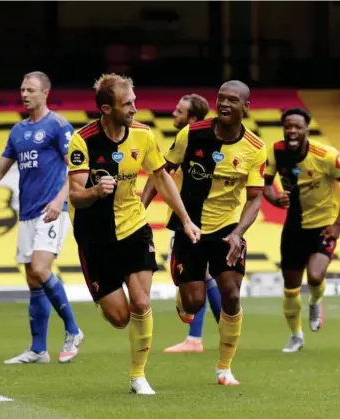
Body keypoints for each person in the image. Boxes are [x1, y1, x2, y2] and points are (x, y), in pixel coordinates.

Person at [68, 73, 200, 395]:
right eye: (127, 104)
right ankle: (107, 302)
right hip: (94, 236)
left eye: (134, 101)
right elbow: (74, 195)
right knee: (120, 318)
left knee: (141, 302)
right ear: (106, 108)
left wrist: (185, 219)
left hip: (133, 227)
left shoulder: (143, 135)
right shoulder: (82, 140)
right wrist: (96, 191)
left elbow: (162, 177)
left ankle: (138, 375)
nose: (135, 109)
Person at [0, 71, 84, 364]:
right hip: (27, 214)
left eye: (30, 90)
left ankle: (73, 330)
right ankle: (38, 349)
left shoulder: (59, 126)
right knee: (33, 279)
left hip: (52, 212)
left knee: (40, 267)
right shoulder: (18, 131)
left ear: (45, 92)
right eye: (22, 89)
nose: (24, 94)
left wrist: (60, 201)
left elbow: (75, 169)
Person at [163, 80, 266, 386]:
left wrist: (239, 232)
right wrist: (143, 209)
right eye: (221, 98)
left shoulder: (256, 149)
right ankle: (183, 296)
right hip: (190, 227)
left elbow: (255, 197)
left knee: (231, 295)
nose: (224, 104)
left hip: (226, 229)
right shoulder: (191, 134)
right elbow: (163, 171)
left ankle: (224, 368)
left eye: (233, 100)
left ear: (245, 108)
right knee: (193, 303)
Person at [141, 94, 222, 353]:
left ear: (194, 119)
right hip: (204, 219)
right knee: (206, 276)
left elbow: (159, 174)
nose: (173, 115)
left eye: (179, 111)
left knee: (193, 276)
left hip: (194, 220)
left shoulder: (192, 137)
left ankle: (196, 337)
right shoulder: (193, 140)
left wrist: (141, 207)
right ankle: (207, 334)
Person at [264, 107, 338, 353]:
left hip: (323, 227)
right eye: (288, 126)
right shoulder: (276, 151)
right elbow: (264, 184)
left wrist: (337, 226)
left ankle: (316, 301)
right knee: (290, 287)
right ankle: (296, 336)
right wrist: (274, 199)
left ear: (307, 128)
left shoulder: (326, 156)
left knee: (315, 276)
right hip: (294, 228)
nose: (292, 131)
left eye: (297, 126)